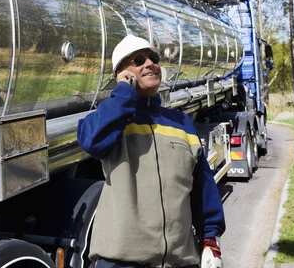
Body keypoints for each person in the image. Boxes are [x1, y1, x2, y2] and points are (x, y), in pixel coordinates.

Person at [77, 35, 225, 268]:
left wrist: (210, 239)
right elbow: (91, 140)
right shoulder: (113, 119)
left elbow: (202, 186)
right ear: (122, 74)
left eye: (153, 58)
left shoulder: (181, 122)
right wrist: (124, 93)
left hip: (180, 261)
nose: (149, 64)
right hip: (121, 262)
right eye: (138, 60)